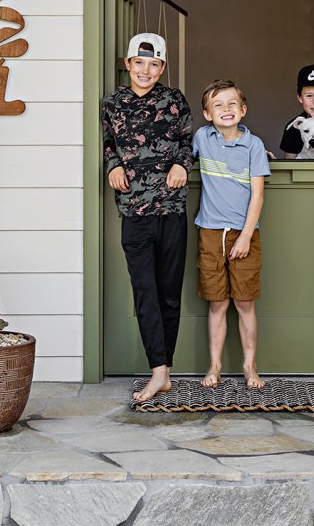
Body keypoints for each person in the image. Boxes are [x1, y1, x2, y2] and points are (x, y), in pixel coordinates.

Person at [101, 32, 193, 402]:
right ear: (127, 64)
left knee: (169, 294)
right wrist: (112, 166)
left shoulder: (174, 101)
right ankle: (158, 369)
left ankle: (164, 371)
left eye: (153, 64)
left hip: (171, 209)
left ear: (162, 68)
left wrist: (181, 165)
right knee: (145, 294)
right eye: (139, 63)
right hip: (134, 211)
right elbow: (109, 143)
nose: (145, 70)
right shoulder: (113, 103)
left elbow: (189, 142)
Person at [194, 79, 270, 390]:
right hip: (210, 233)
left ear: (243, 110)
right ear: (207, 114)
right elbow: (180, 157)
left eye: (231, 104)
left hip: (244, 234)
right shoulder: (202, 138)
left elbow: (258, 196)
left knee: (244, 302)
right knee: (217, 303)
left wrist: (245, 236)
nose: (226, 109)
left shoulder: (253, 146)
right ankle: (215, 366)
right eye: (218, 105)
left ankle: (250, 366)